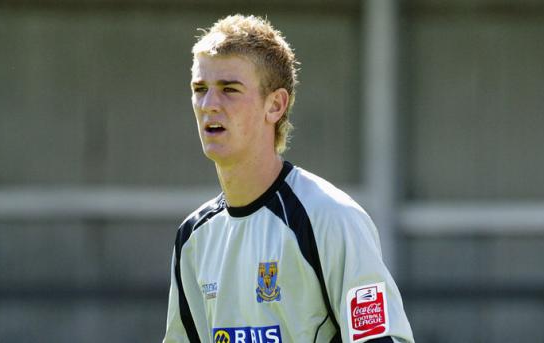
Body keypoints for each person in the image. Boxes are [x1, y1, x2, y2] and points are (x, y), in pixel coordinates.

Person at [163, 14, 414, 343]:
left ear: (275, 105)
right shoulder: (193, 239)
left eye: (230, 89)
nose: (209, 104)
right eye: (200, 89)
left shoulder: (331, 217)